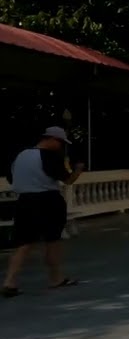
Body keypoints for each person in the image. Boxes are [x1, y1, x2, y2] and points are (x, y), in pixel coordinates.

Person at [4, 127, 83, 298]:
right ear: (52, 139)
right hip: (48, 200)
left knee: (23, 243)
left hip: (24, 201)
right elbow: (68, 180)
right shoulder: (50, 156)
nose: (61, 147)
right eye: (61, 143)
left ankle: (10, 281)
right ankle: (55, 279)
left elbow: (12, 178)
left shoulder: (20, 155)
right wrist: (78, 169)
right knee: (52, 240)